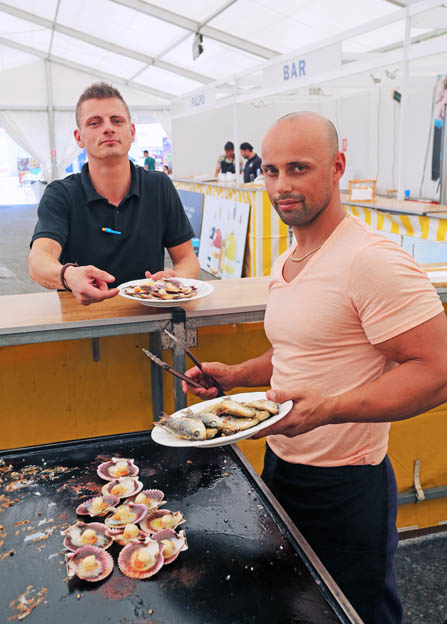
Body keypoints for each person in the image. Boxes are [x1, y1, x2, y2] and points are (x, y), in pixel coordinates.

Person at [183, 112, 447, 624]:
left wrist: (332, 409)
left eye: (299, 168)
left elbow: (438, 369)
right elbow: (296, 351)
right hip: (282, 467)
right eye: (271, 170)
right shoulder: (291, 259)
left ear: (337, 167)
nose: (282, 186)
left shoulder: (370, 260)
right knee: (298, 608)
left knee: (357, 613)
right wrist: (235, 375)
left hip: (347, 487)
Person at [28, 82, 199, 306]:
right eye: (94, 123)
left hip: (148, 315)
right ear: (79, 137)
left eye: (117, 121)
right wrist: (68, 276)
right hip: (82, 320)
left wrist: (176, 278)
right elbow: (38, 261)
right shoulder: (61, 194)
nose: (108, 128)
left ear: (132, 131)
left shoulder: (158, 186)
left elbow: (187, 259)